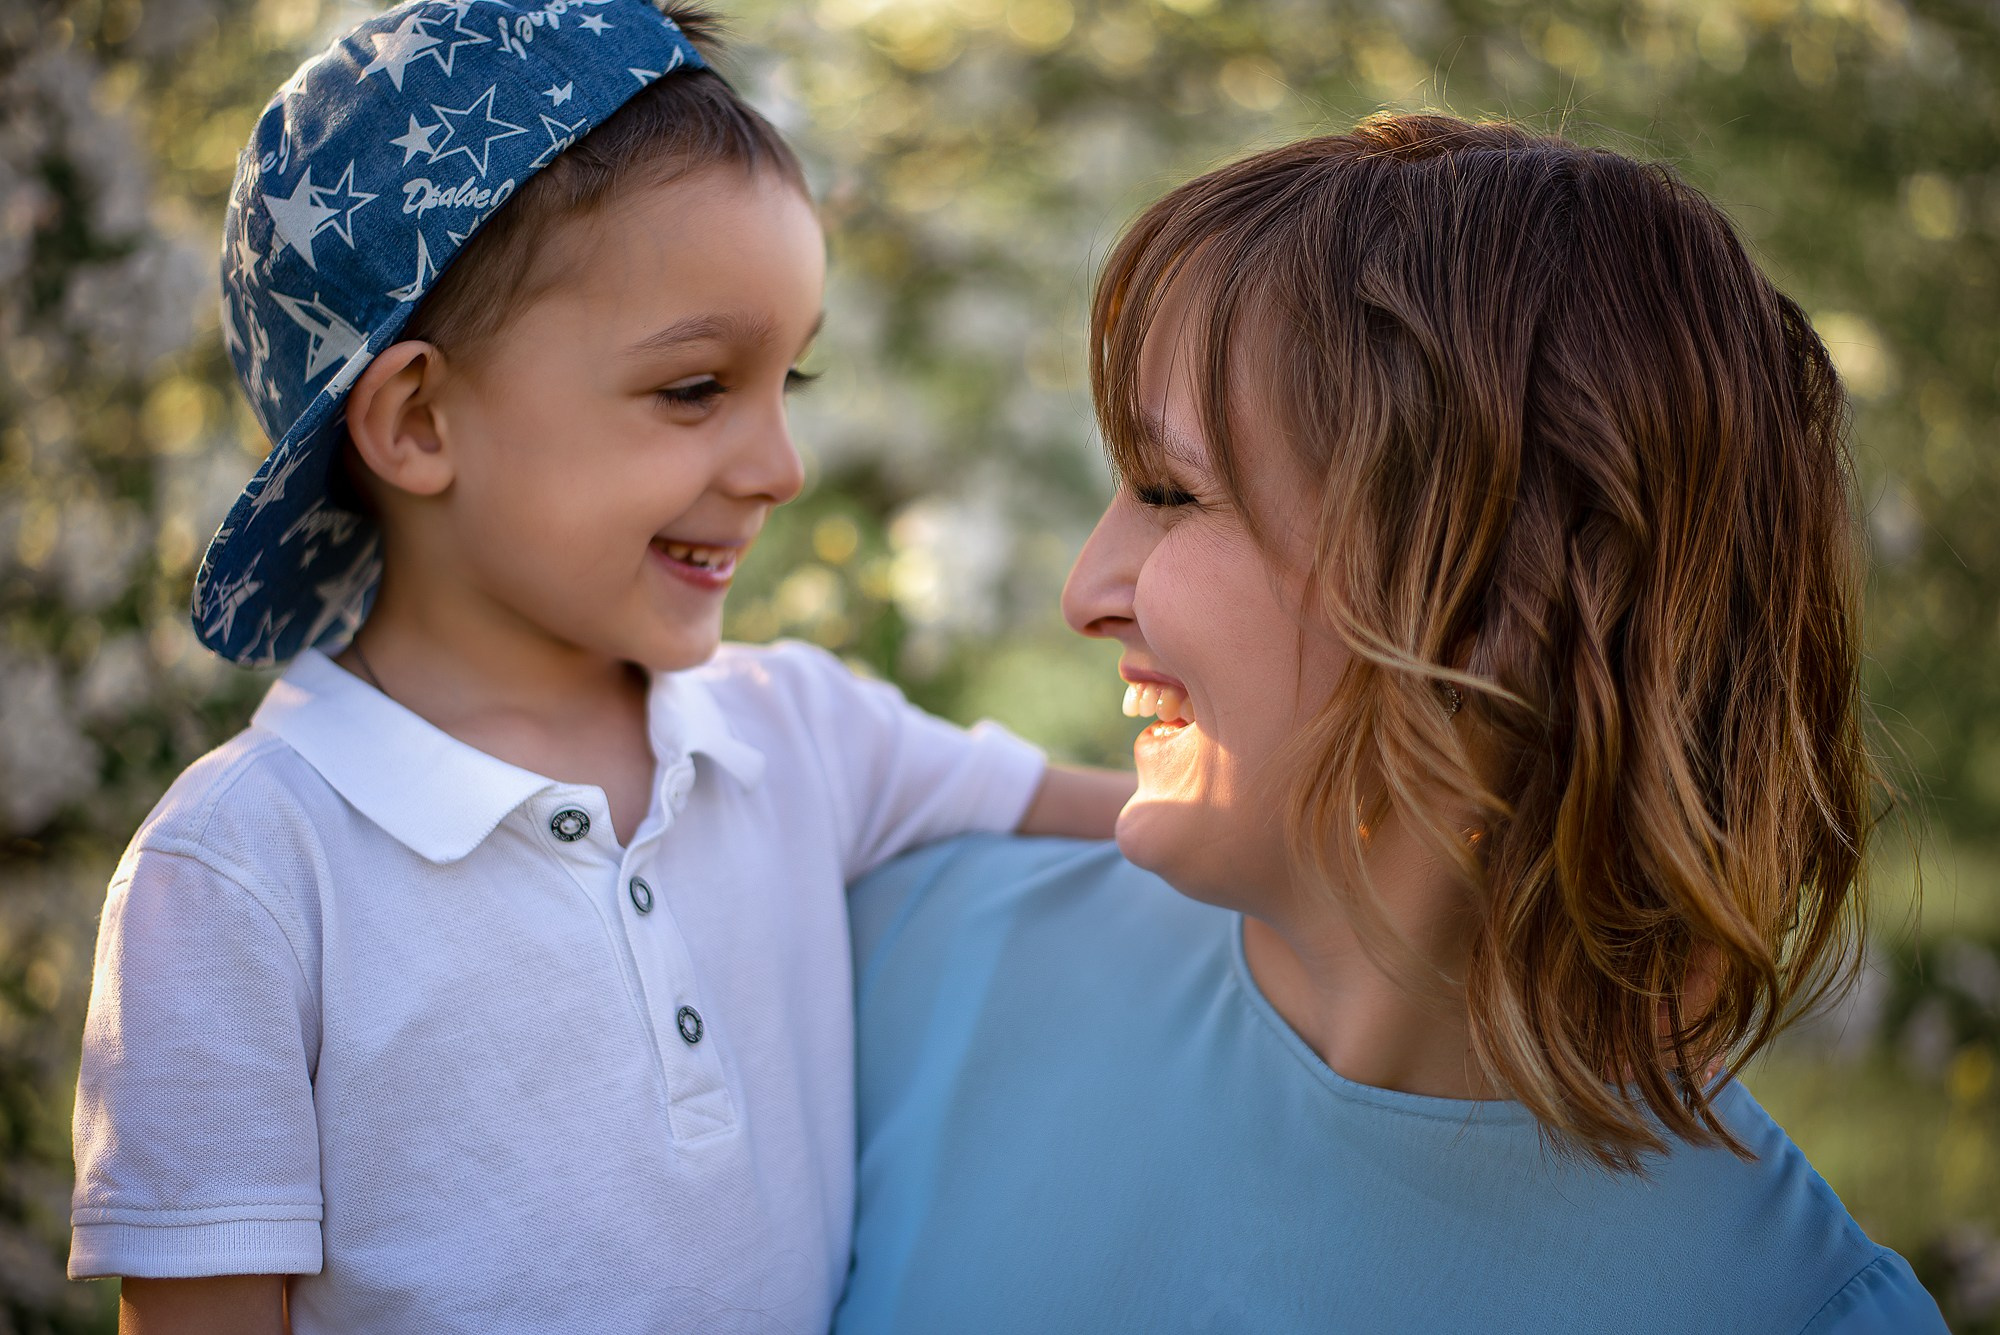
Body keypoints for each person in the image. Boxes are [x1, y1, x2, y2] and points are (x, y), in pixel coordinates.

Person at [67, 4, 1128, 1331]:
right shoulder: (238, 875)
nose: (780, 467)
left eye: (786, 379)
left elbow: (1168, 828)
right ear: (419, 418)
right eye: (696, 388)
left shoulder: (797, 733)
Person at [834, 115, 1947, 1332]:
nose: (1086, 589)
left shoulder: (1785, 1311)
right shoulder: (895, 954)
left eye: (1168, 494)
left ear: (1495, 600)